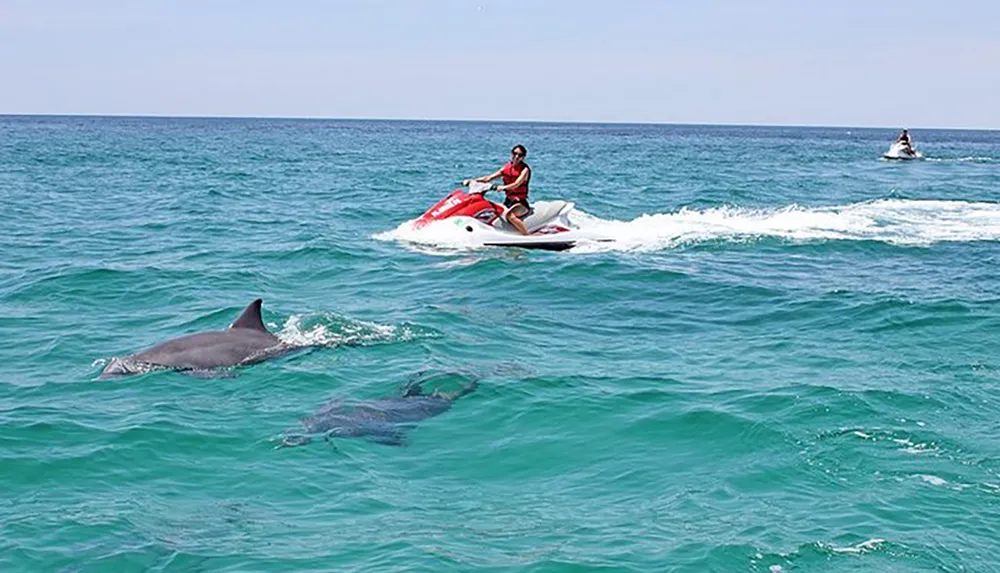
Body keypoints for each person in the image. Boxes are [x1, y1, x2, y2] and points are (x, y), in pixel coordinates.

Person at [462, 144, 532, 235]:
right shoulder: (507, 167)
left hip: (520, 203)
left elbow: (516, 184)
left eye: (520, 155)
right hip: (508, 201)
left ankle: (527, 235)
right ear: (511, 154)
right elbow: (489, 178)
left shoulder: (525, 170)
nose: (516, 157)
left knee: (510, 216)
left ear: (523, 157)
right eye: (515, 153)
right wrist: (473, 181)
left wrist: (503, 187)